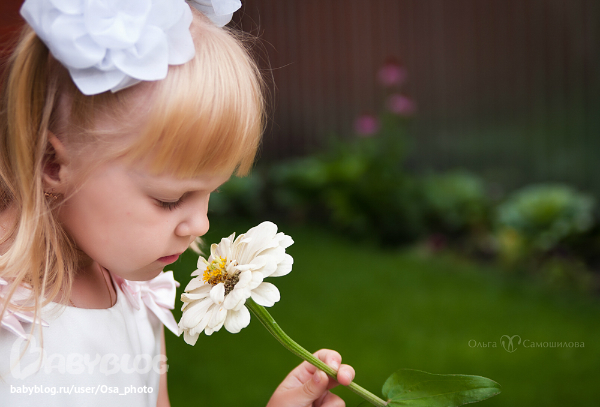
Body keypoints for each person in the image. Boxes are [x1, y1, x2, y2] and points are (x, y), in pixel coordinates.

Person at [0, 1, 355, 406]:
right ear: (52, 163)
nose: (201, 225)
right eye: (169, 199)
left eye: (211, 192)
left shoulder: (140, 295)